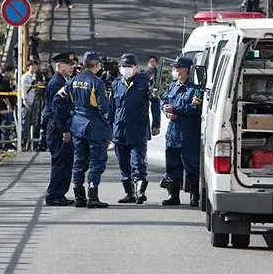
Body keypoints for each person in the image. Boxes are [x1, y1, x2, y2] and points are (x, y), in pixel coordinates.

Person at [60, 51, 112, 208]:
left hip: (77, 125)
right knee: (96, 161)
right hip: (94, 125)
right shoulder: (97, 82)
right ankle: (93, 196)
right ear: (96, 65)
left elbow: (60, 98)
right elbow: (104, 107)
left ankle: (79, 196)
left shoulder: (73, 81)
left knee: (79, 161)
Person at [109, 53, 161, 204]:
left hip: (138, 129)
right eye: (123, 66)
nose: (126, 69)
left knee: (138, 162)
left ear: (137, 67)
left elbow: (155, 103)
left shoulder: (146, 83)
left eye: (129, 66)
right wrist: (109, 128)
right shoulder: (116, 84)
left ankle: (140, 191)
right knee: (123, 163)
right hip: (120, 130)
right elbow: (112, 108)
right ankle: (129, 193)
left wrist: (156, 124)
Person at [160, 56, 202, 206]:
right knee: (172, 165)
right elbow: (164, 100)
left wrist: (176, 110)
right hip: (172, 133)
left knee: (191, 166)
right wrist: (166, 110)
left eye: (178, 68)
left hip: (188, 134)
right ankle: (173, 196)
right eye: (175, 68)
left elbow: (196, 108)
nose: (175, 70)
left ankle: (195, 196)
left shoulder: (195, 88)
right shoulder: (173, 85)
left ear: (186, 70)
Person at [44, 52, 78, 206]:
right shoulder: (57, 82)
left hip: (62, 126)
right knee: (61, 162)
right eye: (69, 65)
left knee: (66, 162)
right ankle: (54, 195)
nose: (72, 67)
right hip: (58, 128)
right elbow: (57, 109)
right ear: (59, 66)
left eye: (72, 65)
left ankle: (59, 194)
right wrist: (64, 129)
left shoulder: (64, 80)